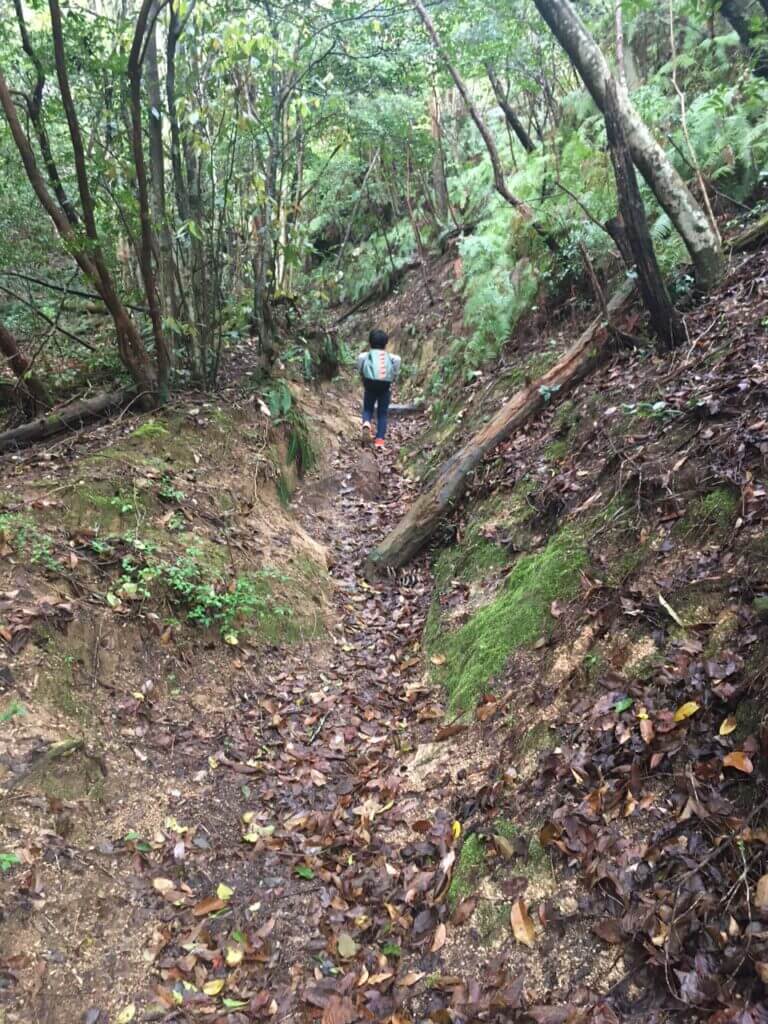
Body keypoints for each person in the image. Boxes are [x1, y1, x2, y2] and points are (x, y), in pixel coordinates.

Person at [357, 328, 401, 449]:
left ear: (370, 342)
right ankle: (380, 441)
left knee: (368, 408)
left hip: (369, 383)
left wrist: (362, 375)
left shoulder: (365, 355)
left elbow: (360, 365)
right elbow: (398, 360)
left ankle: (366, 423)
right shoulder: (391, 357)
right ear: (385, 343)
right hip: (384, 386)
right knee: (382, 413)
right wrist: (394, 374)